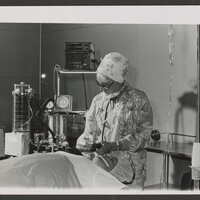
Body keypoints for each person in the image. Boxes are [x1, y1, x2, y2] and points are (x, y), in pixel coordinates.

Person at [76, 52, 153, 188]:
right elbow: (89, 133)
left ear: (119, 80)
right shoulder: (98, 100)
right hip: (101, 171)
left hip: (129, 175)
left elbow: (145, 137)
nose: (102, 89)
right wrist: (84, 146)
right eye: (99, 84)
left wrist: (115, 145)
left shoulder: (138, 99)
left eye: (106, 85)